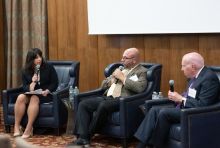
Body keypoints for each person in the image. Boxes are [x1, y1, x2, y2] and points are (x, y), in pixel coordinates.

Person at [134, 52, 220, 148]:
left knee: (164, 113)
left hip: (196, 113)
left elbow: (203, 104)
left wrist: (181, 99)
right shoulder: (194, 76)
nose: (181, 69)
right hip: (186, 107)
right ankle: (141, 144)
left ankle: (157, 146)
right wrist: (177, 98)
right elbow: (189, 95)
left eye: (183, 66)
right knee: (154, 109)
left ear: (193, 66)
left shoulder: (209, 78)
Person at [68, 48, 148, 147]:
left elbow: (140, 88)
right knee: (83, 104)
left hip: (123, 99)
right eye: (122, 57)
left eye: (125, 58)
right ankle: (83, 138)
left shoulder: (142, 71)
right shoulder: (121, 68)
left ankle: (88, 135)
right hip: (107, 96)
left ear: (134, 60)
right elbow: (103, 85)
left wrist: (122, 78)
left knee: (103, 105)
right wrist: (111, 80)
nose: (122, 60)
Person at [13, 48, 58, 138]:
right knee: (20, 97)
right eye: (36, 57)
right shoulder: (25, 70)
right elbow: (25, 87)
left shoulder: (48, 67)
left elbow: (55, 83)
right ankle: (16, 127)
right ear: (31, 60)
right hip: (31, 93)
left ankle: (29, 128)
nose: (39, 59)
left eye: (40, 56)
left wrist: (47, 90)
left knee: (34, 98)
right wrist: (33, 82)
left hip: (45, 95)